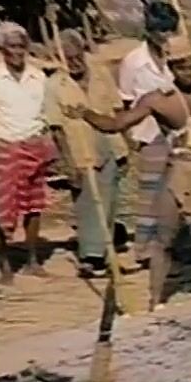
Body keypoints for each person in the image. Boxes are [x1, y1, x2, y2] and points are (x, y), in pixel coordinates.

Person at [67, 35, 191, 310]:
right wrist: (86, 114)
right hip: (179, 171)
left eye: (190, 65)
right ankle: (156, 300)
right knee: (164, 239)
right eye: (179, 67)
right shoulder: (158, 100)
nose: (186, 72)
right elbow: (116, 124)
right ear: (171, 68)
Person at [118, 1, 191, 265]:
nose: (166, 36)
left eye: (171, 30)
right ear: (149, 31)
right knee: (152, 194)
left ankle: (187, 247)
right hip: (150, 135)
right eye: (161, 31)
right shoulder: (133, 62)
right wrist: (131, 138)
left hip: (185, 133)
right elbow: (126, 100)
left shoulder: (187, 51)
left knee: (189, 191)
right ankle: (145, 250)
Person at [44, 29, 130, 277]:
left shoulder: (100, 73)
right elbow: (56, 128)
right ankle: (91, 257)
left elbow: (117, 111)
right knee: (87, 202)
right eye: (68, 58)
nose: (74, 62)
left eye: (77, 56)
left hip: (109, 142)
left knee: (110, 200)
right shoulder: (55, 84)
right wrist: (68, 164)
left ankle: (107, 252)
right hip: (79, 146)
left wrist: (125, 146)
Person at [0, 22, 57, 283]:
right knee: (1, 208)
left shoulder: (38, 77)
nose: (18, 52)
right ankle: (5, 265)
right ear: (2, 49)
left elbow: (46, 112)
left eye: (22, 46)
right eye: (12, 46)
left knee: (34, 206)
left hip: (34, 144)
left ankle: (32, 260)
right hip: (5, 146)